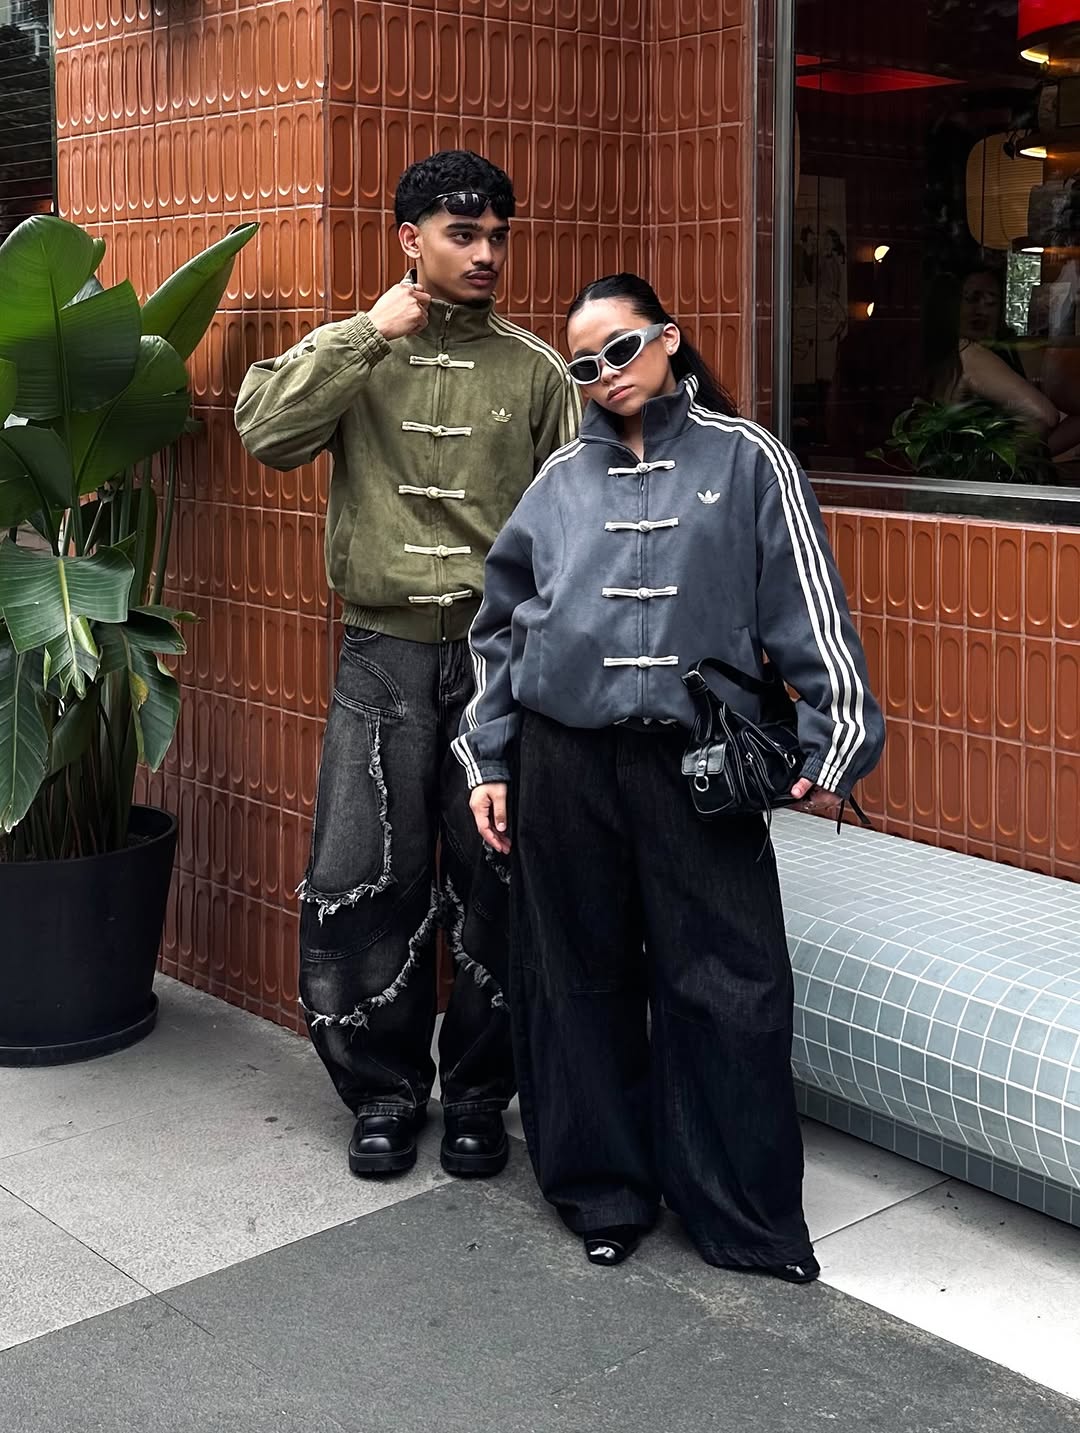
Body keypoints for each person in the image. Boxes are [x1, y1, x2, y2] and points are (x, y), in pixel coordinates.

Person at [453, 274, 885, 1280]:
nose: (607, 373)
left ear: (669, 339)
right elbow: (500, 628)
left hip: (700, 764)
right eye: (585, 363)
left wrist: (835, 742)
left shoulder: (748, 459)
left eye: (622, 347)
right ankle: (601, 1192)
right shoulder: (559, 478)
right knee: (575, 980)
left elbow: (811, 606)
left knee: (731, 981)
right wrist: (490, 758)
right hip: (565, 761)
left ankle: (745, 1217)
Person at [234, 151, 580, 1181]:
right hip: (379, 653)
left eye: (497, 236)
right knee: (361, 876)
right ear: (410, 240)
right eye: (462, 234)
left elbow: (576, 527)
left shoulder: (537, 371)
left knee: (497, 876)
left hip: (495, 661)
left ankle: (476, 1093)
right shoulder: (361, 349)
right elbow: (265, 431)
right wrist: (366, 334)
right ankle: (382, 1091)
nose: (486, 254)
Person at [923, 266, 1080, 457]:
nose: (982, 310)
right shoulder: (962, 352)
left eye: (992, 302)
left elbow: (1042, 416)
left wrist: (1003, 463)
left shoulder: (998, 352)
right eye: (972, 298)